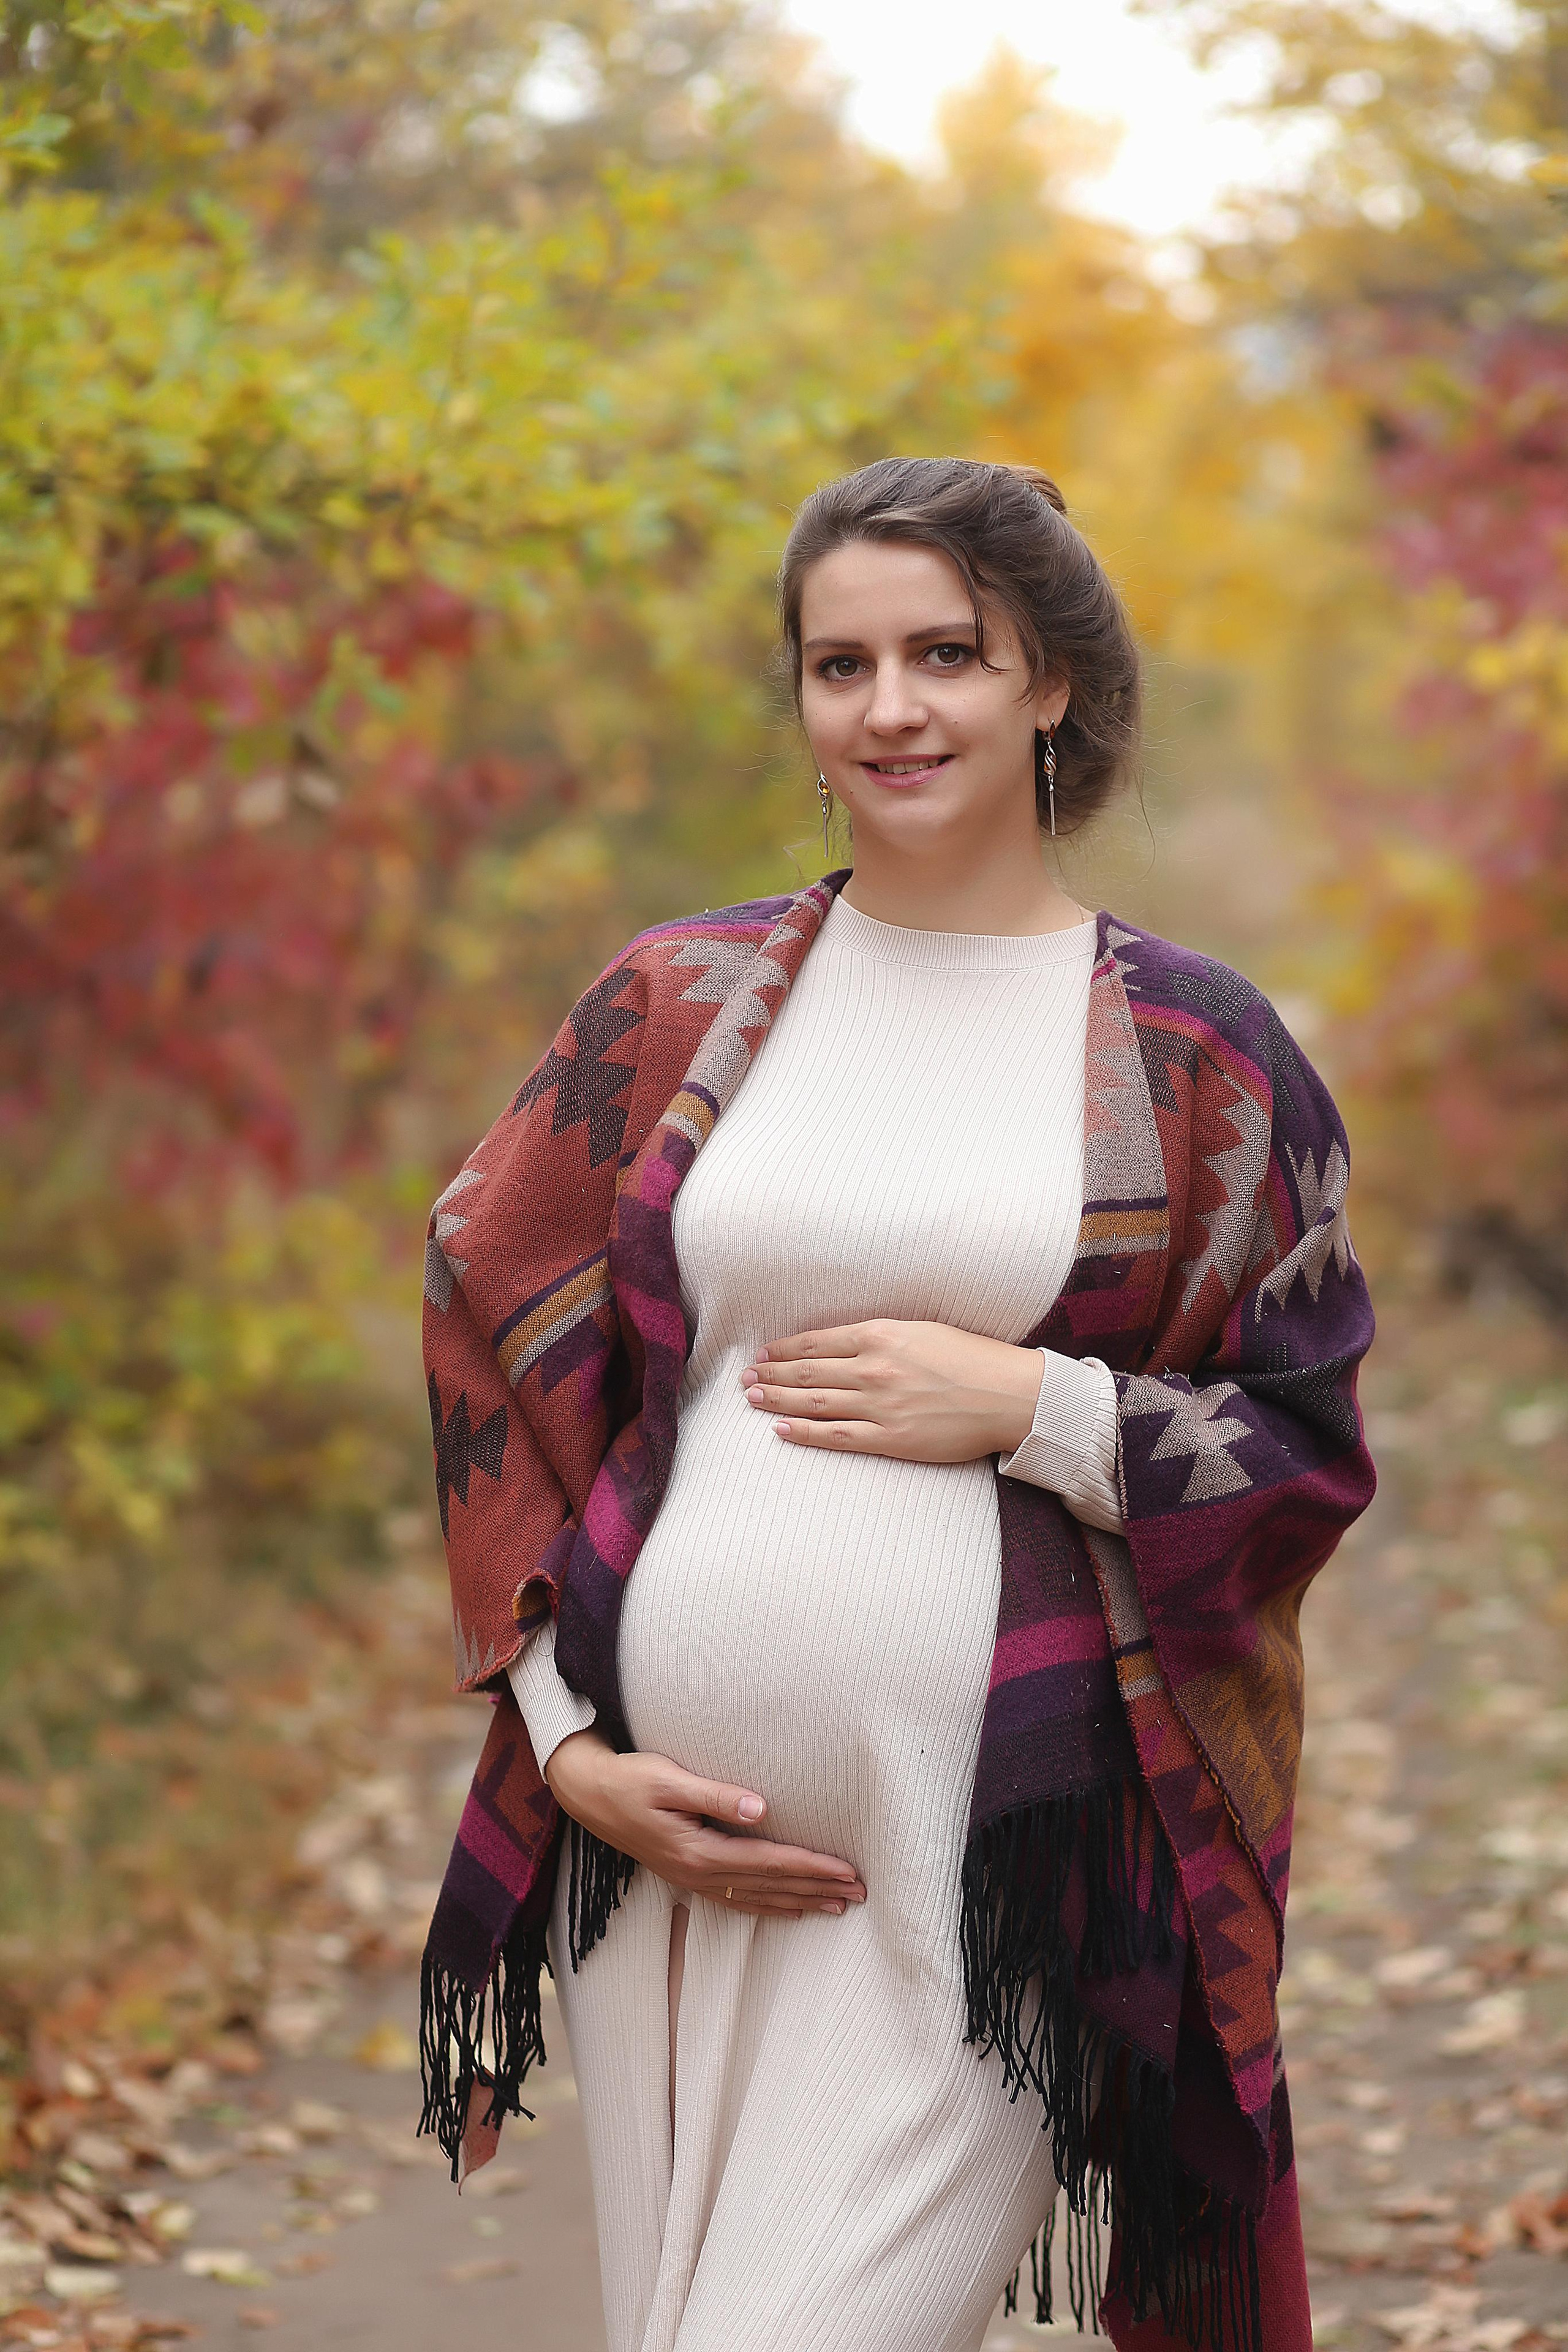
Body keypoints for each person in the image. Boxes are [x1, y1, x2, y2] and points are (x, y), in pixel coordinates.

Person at [417, 458, 1376, 2352]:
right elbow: (486, 1320)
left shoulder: (1196, 1054)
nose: (889, 707)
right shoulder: (680, 999)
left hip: (999, 1865)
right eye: (837, 664)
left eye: (946, 653)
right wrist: (567, 1743)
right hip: (657, 1863)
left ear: (1051, 687)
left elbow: (1304, 1447)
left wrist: (1038, 1403)